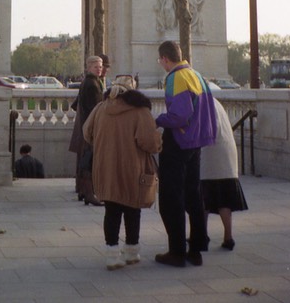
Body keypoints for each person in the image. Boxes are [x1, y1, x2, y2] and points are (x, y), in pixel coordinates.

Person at [83, 75, 162, 270]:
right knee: (132, 209)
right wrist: (159, 138)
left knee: (111, 211)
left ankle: (111, 254)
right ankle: (132, 251)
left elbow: (87, 132)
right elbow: (149, 143)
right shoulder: (140, 111)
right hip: (132, 168)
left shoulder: (100, 108)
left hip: (105, 167)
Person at [155, 40, 217, 267]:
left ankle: (177, 252)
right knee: (193, 196)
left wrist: (158, 120)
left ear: (164, 59)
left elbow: (180, 115)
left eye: (160, 60)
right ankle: (196, 250)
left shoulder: (175, 77)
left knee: (171, 199)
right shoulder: (196, 75)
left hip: (178, 142)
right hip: (196, 143)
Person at [200, 97, 248, 251]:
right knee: (224, 199)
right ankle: (227, 237)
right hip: (225, 156)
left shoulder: (202, 104)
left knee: (203, 198)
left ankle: (202, 235)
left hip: (211, 157)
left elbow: (207, 131)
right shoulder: (214, 101)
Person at [69, 55, 104, 205]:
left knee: (86, 159)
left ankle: (83, 191)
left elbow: (76, 105)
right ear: (89, 68)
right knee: (91, 159)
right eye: (96, 66)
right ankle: (90, 193)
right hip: (91, 128)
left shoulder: (87, 82)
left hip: (85, 126)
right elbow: (96, 108)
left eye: (100, 66)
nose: (99, 69)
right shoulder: (93, 84)